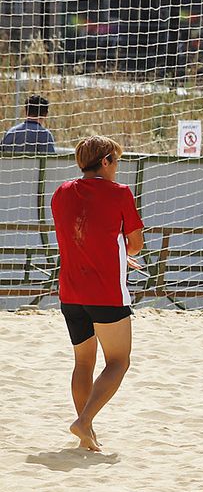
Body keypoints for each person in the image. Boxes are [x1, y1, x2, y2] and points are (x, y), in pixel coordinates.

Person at [50, 135, 144, 452]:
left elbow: (79, 236)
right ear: (105, 161)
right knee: (118, 361)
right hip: (105, 293)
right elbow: (136, 243)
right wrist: (121, 252)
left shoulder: (61, 193)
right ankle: (84, 420)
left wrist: (114, 250)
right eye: (116, 161)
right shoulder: (119, 193)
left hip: (70, 292)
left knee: (83, 363)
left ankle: (86, 431)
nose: (117, 168)